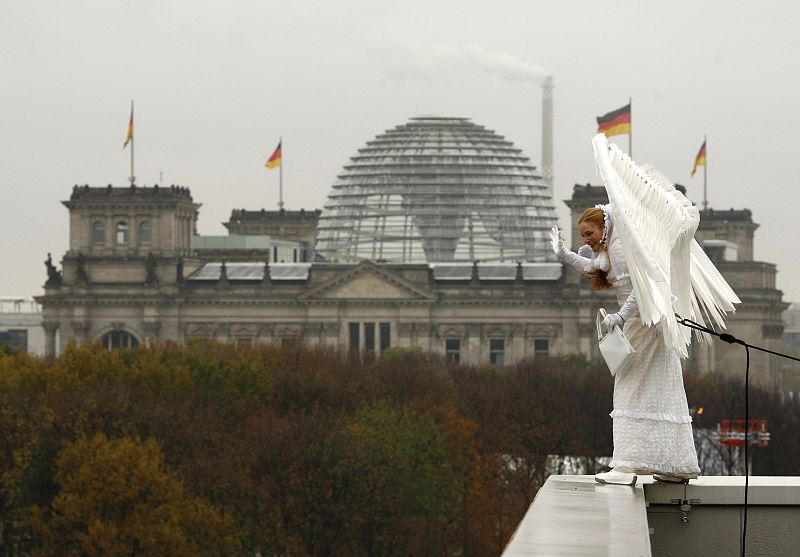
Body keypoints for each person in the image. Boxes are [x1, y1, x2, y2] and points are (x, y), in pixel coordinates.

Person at [551, 205, 700, 485]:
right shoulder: (617, 245)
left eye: (589, 233)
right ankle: (674, 465)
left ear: (604, 226)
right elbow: (594, 266)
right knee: (661, 390)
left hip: (642, 324)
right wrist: (565, 256)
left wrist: (619, 317)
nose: (587, 240)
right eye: (582, 235)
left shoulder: (619, 248)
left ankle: (627, 466)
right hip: (648, 323)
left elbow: (640, 289)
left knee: (629, 390)